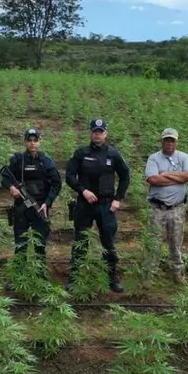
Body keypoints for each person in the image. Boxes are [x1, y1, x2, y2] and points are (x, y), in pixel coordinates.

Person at [65, 118, 131, 292]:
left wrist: (118, 198)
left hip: (106, 205)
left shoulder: (113, 154)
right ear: (90, 132)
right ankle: (75, 276)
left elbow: (125, 176)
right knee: (81, 240)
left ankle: (112, 277)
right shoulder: (80, 153)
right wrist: (83, 190)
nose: (97, 134)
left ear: (105, 134)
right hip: (84, 205)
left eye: (100, 131)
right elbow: (69, 176)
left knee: (108, 241)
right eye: (94, 131)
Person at [1, 127, 62, 266]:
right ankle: (18, 275)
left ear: (40, 142)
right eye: (29, 140)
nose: (32, 143)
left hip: (40, 207)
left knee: (39, 244)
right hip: (21, 207)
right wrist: (11, 188)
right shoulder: (18, 160)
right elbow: (5, 177)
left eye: (35, 140)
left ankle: (40, 274)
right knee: (20, 243)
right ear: (25, 142)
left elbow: (57, 184)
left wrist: (47, 203)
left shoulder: (46, 161)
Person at [144, 128, 188, 284]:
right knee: (153, 243)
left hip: (177, 208)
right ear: (162, 141)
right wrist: (178, 179)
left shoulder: (184, 157)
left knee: (176, 242)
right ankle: (149, 275)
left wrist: (164, 174)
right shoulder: (154, 158)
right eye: (167, 140)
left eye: (172, 140)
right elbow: (153, 180)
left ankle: (177, 274)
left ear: (176, 142)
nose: (169, 143)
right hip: (157, 208)